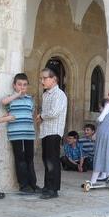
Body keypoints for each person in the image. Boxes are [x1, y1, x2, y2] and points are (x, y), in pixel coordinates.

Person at [1, 73, 40, 194]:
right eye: (19, 85)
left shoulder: (29, 99)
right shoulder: (10, 98)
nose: (22, 87)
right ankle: (23, 185)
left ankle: (33, 183)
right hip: (16, 133)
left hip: (28, 133)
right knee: (20, 159)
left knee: (29, 159)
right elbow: (3, 102)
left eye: (24, 85)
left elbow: (32, 114)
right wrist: (16, 95)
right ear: (14, 85)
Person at [36, 68, 67, 199]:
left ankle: (53, 189)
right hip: (45, 131)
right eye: (41, 78)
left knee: (52, 161)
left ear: (54, 79)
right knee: (46, 159)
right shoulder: (45, 94)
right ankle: (47, 186)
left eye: (45, 78)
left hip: (54, 131)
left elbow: (54, 112)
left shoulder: (59, 94)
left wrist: (41, 116)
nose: (42, 81)